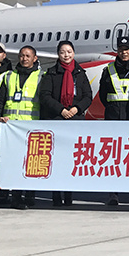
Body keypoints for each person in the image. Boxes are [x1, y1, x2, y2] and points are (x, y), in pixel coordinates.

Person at [40, 40, 93, 207]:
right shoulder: (51, 73)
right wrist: (61, 110)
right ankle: (56, 194)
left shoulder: (80, 73)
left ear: (74, 53)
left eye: (69, 52)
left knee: (71, 158)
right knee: (56, 158)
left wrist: (77, 109)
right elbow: (45, 96)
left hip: (75, 120)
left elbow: (88, 96)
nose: (66, 55)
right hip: (56, 119)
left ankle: (69, 193)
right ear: (58, 54)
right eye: (63, 52)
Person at [98, 35, 129, 205]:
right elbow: (103, 95)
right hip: (113, 118)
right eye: (121, 49)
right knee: (113, 157)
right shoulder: (108, 69)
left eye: (127, 49)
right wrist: (113, 109)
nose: (124, 53)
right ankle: (113, 193)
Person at [1, 45, 44, 208]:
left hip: (32, 126)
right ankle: (16, 196)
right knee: (14, 163)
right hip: (12, 127)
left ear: (35, 58)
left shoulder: (41, 76)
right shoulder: (9, 76)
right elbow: (2, 98)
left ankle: (30, 194)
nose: (24, 59)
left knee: (32, 162)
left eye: (27, 56)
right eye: (21, 56)